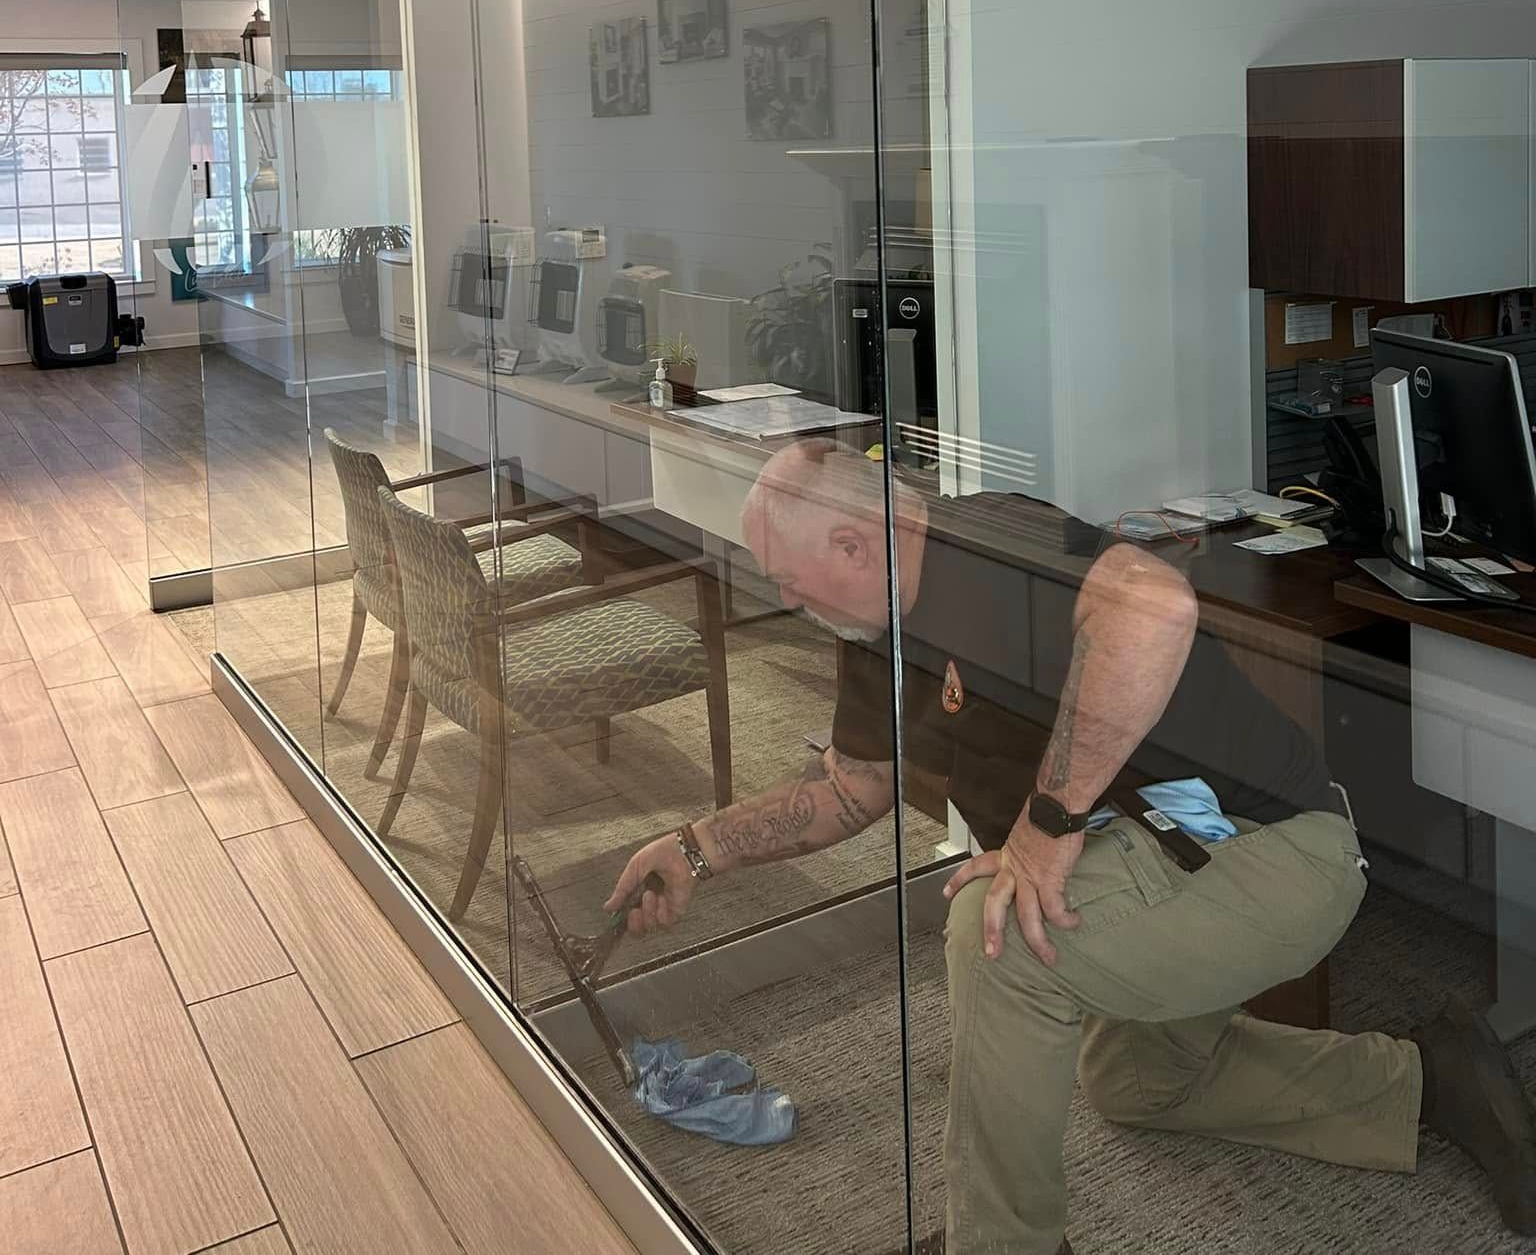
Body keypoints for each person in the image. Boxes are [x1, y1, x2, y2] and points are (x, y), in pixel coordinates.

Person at [608, 441, 1536, 1254]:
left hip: (1270, 851)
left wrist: (1044, 830)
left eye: (788, 580)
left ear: (855, 543)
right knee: (1136, 1085)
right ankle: (1425, 1081)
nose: (787, 600)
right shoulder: (876, 625)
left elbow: (1154, 610)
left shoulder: (996, 540)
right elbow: (850, 791)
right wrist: (696, 850)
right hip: (1154, 865)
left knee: (995, 931)